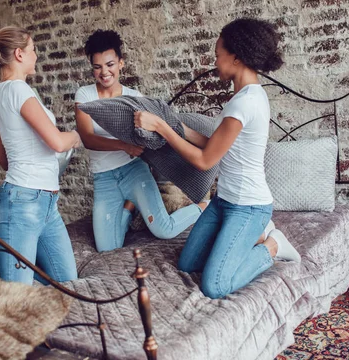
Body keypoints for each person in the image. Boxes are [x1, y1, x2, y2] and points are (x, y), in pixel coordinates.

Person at [134, 18, 301, 299]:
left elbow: (205, 160)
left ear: (235, 57)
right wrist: (173, 124)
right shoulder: (242, 97)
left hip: (249, 206)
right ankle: (244, 239)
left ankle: (272, 245)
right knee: (187, 263)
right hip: (224, 202)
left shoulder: (245, 102)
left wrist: (161, 128)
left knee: (215, 285)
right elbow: (216, 144)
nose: (215, 62)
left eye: (217, 55)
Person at [75, 30, 209, 253]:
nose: (104, 72)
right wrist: (123, 146)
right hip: (104, 178)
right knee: (107, 249)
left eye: (109, 64)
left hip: (133, 171)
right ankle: (129, 207)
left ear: (121, 63)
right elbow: (88, 139)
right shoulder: (85, 95)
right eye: (97, 67)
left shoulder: (134, 97)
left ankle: (204, 207)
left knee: (164, 229)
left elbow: (150, 133)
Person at [0, 26, 81, 285]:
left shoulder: (1, 93)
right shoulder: (19, 91)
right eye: (33, 50)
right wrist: (81, 134)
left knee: (67, 283)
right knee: (17, 294)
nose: (36, 55)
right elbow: (58, 142)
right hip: (22, 204)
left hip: (46, 204)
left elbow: (3, 160)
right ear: (19, 54)